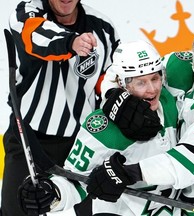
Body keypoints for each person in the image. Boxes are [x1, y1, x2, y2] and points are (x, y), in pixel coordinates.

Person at [86, 15, 194, 216]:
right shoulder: (178, 64)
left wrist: (126, 173)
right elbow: (121, 72)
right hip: (182, 206)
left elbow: (184, 165)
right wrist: (114, 96)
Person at [17, 40, 179, 216]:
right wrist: (53, 192)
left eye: (155, 78)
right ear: (123, 84)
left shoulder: (169, 101)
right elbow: (76, 180)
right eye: (141, 83)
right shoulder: (102, 128)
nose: (152, 90)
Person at [1, 0, 121, 215]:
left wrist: (119, 101)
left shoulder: (104, 28)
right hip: (29, 138)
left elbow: (109, 80)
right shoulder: (26, 13)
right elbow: (36, 38)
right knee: (15, 210)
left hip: (80, 147)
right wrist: (71, 42)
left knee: (87, 211)